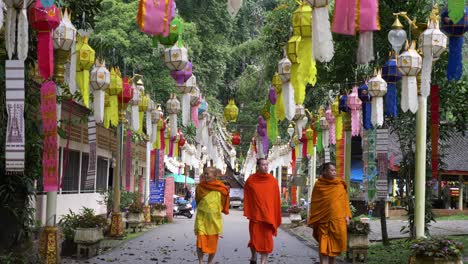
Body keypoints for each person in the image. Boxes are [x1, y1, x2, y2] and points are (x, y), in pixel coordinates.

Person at [307, 163, 352, 264]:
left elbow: (345, 201)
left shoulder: (339, 184)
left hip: (337, 220)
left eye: (335, 170)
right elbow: (315, 202)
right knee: (323, 246)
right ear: (324, 172)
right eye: (331, 170)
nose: (334, 172)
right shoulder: (319, 185)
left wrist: (347, 216)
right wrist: (312, 218)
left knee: (334, 248)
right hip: (322, 220)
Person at [244, 158, 281, 264]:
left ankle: (263, 262)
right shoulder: (251, 180)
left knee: (267, 240)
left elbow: (275, 199)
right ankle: (254, 256)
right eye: (263, 165)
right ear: (258, 167)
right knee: (254, 239)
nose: (265, 167)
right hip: (256, 216)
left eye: (266, 165)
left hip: (268, 216)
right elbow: (248, 197)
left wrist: (274, 214)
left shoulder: (272, 181)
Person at [194, 167, 230, 264]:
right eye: (204, 173)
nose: (205, 175)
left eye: (207, 174)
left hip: (214, 220)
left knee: (212, 244)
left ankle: (209, 262)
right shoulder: (200, 187)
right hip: (202, 218)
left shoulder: (221, 188)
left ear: (215, 176)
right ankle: (200, 262)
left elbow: (224, 201)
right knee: (200, 241)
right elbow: (197, 200)